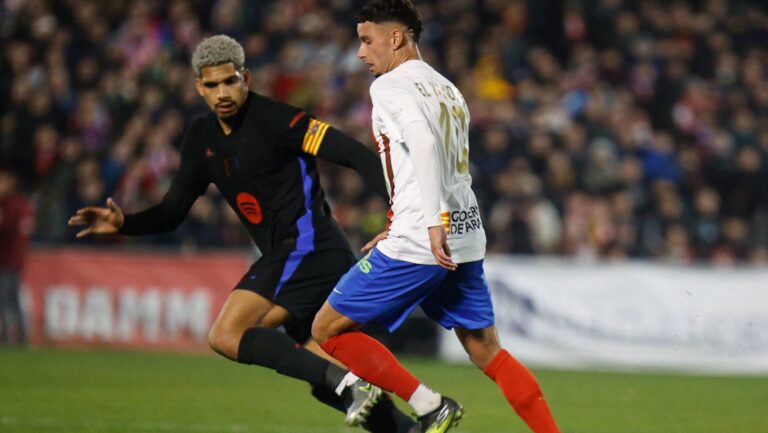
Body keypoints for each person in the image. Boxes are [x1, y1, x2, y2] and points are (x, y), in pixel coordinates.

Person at [68, 34, 417, 433]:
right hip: (296, 254)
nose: (222, 93)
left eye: (230, 81)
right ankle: (412, 424)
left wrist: (402, 212)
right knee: (317, 367)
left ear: (245, 78)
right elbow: (172, 210)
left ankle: (348, 384)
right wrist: (125, 223)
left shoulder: (280, 120)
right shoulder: (201, 138)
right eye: (212, 85)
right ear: (199, 87)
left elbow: (355, 155)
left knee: (228, 334)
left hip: (309, 247)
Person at [311, 2, 562, 433]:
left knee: (326, 329)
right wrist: (407, 220)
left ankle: (429, 405)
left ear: (396, 38)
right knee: (486, 350)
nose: (360, 52)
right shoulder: (447, 88)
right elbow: (435, 164)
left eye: (367, 40)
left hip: (426, 237)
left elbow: (424, 145)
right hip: (464, 232)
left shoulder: (389, 86)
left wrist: (428, 222)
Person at [0, 165, 33, 347]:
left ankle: (11, 338)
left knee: (6, 300)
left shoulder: (12, 205)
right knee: (11, 300)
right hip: (12, 260)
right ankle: (20, 337)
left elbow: (10, 229)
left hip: (8, 260)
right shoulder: (20, 203)